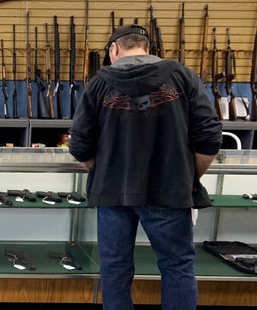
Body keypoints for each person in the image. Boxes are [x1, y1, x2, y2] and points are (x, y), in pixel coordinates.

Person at [68, 24, 223, 310]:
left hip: (113, 193)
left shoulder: (99, 82)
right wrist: (188, 176)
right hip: (169, 191)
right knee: (177, 267)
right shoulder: (183, 76)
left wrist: (104, 172)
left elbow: (79, 144)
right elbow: (210, 136)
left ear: (114, 49)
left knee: (115, 270)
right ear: (147, 48)